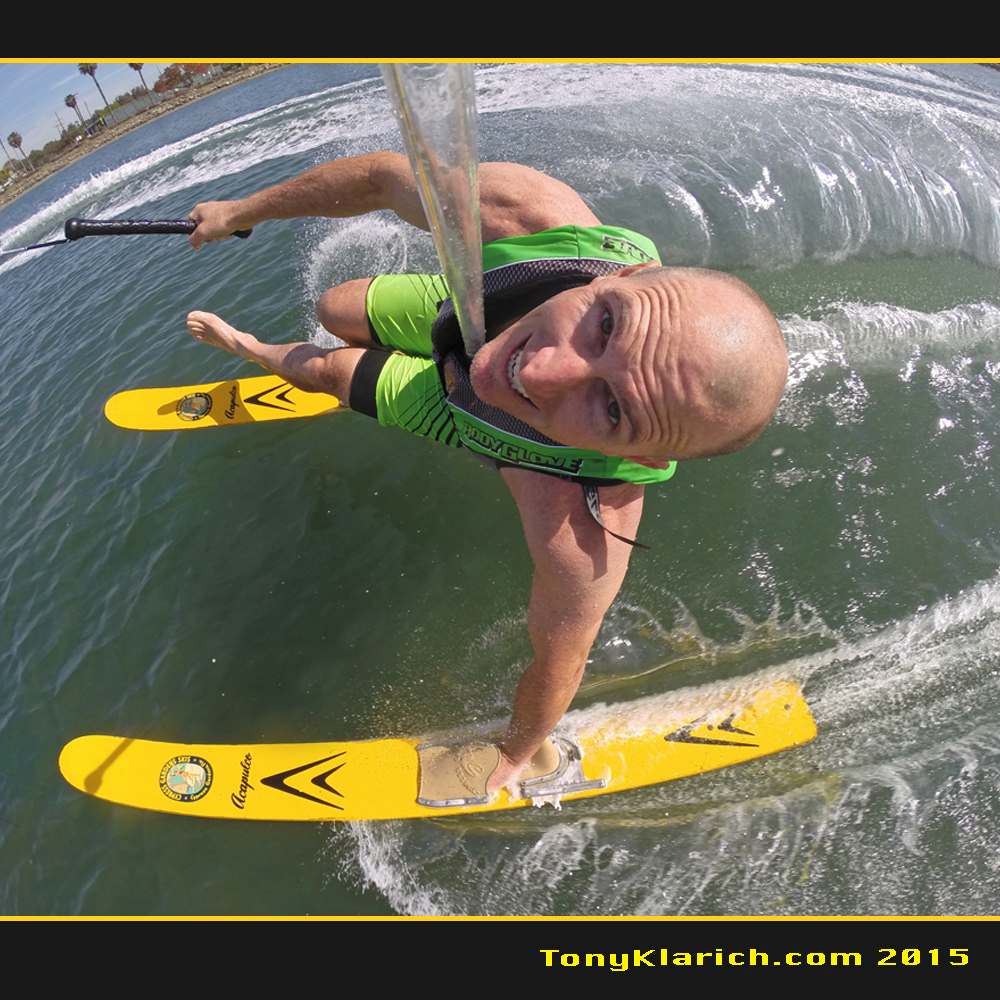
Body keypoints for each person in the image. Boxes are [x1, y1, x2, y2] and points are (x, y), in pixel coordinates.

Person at [185, 151, 788, 798]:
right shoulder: (542, 222)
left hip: (465, 414)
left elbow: (561, 659)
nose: (541, 373)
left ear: (639, 458)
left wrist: (516, 755)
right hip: (466, 311)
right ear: (631, 273)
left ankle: (255, 351)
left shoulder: (582, 520)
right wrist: (236, 211)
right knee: (336, 309)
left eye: (613, 410)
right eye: (604, 324)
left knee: (328, 373)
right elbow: (386, 178)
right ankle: (371, 347)